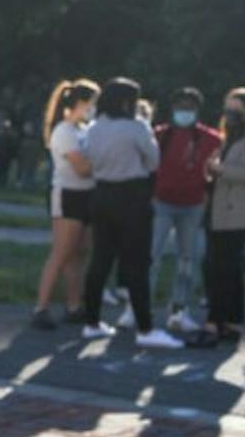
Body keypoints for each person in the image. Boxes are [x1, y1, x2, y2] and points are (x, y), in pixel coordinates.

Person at [77, 78, 183, 348]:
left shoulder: (94, 127)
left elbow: (88, 157)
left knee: (100, 259)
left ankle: (91, 322)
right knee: (137, 262)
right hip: (132, 195)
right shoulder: (136, 126)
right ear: (127, 101)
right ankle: (145, 328)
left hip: (101, 194)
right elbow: (153, 161)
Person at [190, 88, 245, 347]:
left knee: (220, 268)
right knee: (229, 268)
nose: (231, 115)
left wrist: (223, 169)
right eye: (228, 109)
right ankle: (232, 322)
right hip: (217, 209)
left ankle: (213, 324)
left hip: (239, 212)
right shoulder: (227, 138)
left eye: (237, 110)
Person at [148, 87, 222, 335]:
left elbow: (216, 170)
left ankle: (179, 309)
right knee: (152, 255)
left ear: (197, 110)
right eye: (180, 107)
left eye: (189, 107)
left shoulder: (211, 138)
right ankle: (142, 306)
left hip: (193, 204)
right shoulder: (160, 135)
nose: (184, 112)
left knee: (187, 258)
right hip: (161, 201)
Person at [32, 79, 99, 329]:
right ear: (80, 103)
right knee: (61, 252)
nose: (94, 108)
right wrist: (106, 162)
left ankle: (73, 305)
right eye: (92, 103)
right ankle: (41, 307)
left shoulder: (85, 130)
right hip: (68, 194)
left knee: (79, 253)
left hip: (87, 195)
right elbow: (81, 168)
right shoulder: (64, 131)